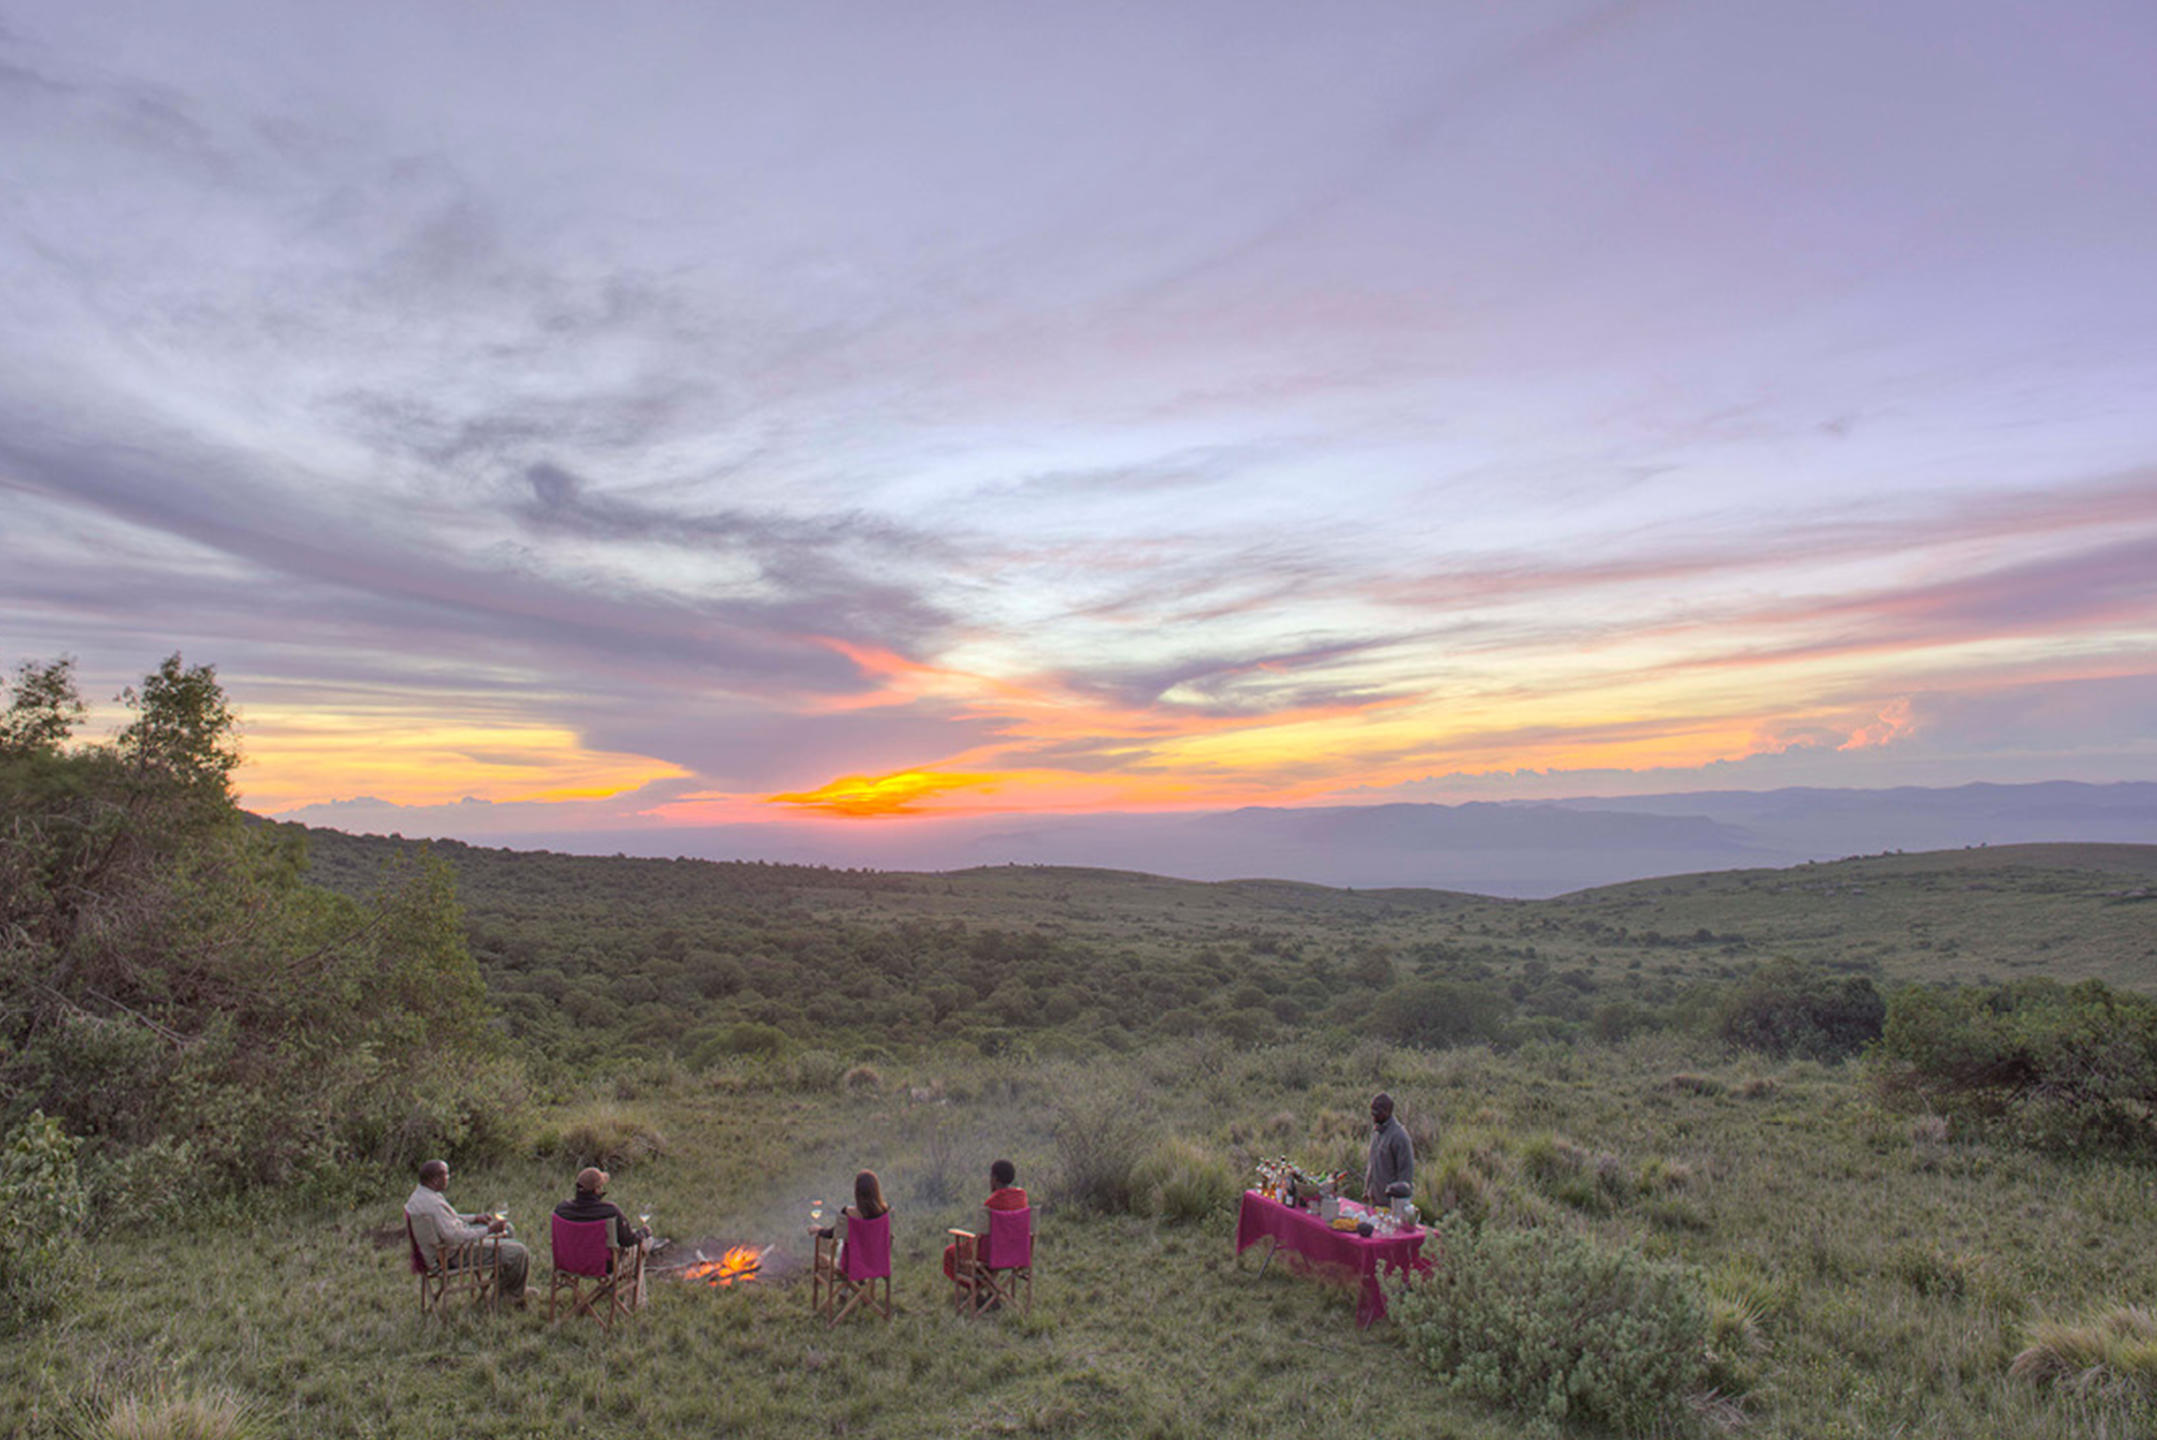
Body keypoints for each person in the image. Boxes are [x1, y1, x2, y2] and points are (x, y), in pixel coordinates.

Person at [404, 1158, 531, 1306]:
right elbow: (454, 1236)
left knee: (507, 1229)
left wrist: (475, 1218)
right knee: (519, 1252)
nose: (448, 1178)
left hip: (445, 1248)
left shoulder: (421, 1195)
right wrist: (488, 1230)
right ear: (435, 1179)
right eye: (446, 1175)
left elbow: (449, 1219)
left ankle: (510, 1287)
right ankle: (509, 1297)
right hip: (454, 1254)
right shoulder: (432, 1205)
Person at [551, 1166, 652, 1270]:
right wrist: (643, 1233)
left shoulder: (561, 1209)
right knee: (644, 1244)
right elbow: (627, 1240)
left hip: (567, 1262)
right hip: (601, 1266)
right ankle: (629, 1286)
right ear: (597, 1189)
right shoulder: (610, 1211)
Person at [943, 1158, 1027, 1281]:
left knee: (950, 1253)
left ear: (994, 1178)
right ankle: (992, 1292)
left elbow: (982, 1236)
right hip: (1017, 1254)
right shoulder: (1022, 1197)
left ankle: (976, 1292)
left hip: (992, 1256)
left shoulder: (992, 1202)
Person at [816, 1169, 891, 1274]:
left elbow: (833, 1233)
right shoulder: (884, 1211)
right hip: (878, 1264)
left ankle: (849, 1287)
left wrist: (818, 1230)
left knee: (825, 1255)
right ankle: (862, 1287)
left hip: (851, 1265)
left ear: (857, 1191)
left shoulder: (849, 1212)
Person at [1363, 1092, 1415, 1205]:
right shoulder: (1376, 1132)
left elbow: (1406, 1175)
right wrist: (1367, 1190)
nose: (1373, 1115)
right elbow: (1372, 1164)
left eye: (1377, 1112)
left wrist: (1398, 1204)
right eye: (1372, 1111)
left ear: (1388, 1111)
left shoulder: (1399, 1137)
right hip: (1375, 1201)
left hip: (1391, 1205)